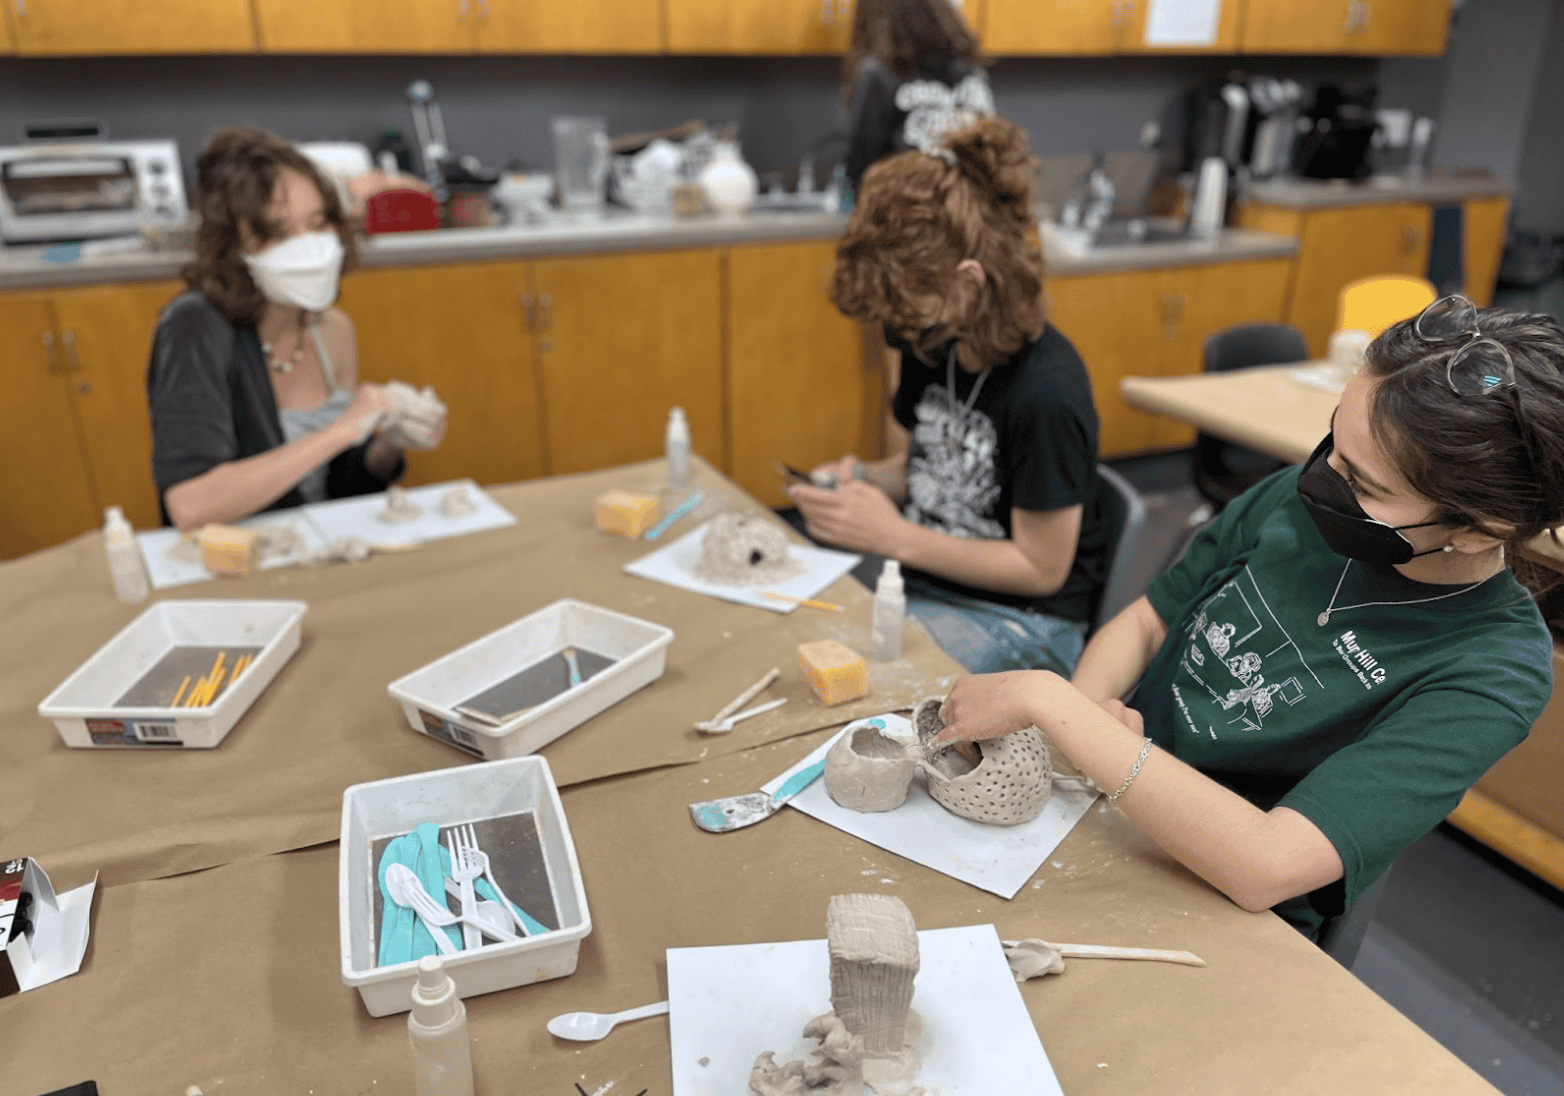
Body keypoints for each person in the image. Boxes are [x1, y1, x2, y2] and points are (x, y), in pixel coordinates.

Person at [935, 297, 1564, 942]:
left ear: (1480, 530)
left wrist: (1057, 705)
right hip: (1111, 802)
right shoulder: (1301, 503)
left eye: (1365, 486)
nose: (1322, 481)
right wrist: (1092, 710)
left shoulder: (1492, 672)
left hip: (1223, 902)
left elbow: (1265, 863)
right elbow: (1150, 620)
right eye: (1333, 448)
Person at [789, 117, 1112, 676]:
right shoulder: (936, 341)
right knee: (805, 643)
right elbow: (930, 467)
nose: (898, 334)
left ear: (968, 284)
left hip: (1026, 619)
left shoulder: (1047, 393)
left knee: (872, 684)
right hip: (927, 585)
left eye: (909, 314)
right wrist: (864, 479)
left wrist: (894, 536)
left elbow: (1041, 568)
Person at [147, 126, 442, 531]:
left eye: (318, 224)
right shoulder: (194, 327)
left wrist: (387, 439)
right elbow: (190, 505)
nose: (308, 246)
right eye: (277, 233)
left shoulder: (333, 331)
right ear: (233, 248)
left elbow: (342, 486)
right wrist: (344, 428)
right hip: (242, 562)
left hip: (322, 544)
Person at [841, 0, 992, 191]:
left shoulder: (878, 74)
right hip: (969, 210)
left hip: (905, 209)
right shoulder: (973, 73)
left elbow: (861, 166)